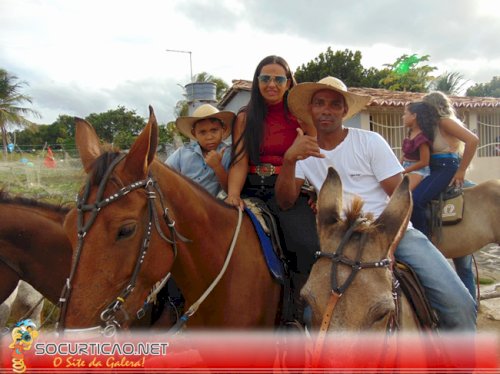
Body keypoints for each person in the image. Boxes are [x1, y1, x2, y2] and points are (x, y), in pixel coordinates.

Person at [275, 76, 476, 331]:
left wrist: (389, 245)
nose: (327, 109)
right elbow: (285, 201)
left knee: (460, 305)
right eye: (320, 103)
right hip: (338, 241)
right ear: (311, 110)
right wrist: (290, 159)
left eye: (335, 104)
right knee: (310, 314)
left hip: (387, 232)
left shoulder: (369, 142)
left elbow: (401, 199)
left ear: (344, 111)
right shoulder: (304, 152)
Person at [225, 55, 319, 323]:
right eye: (265, 78)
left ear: (289, 83)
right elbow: (240, 159)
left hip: (290, 186)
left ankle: (300, 315)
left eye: (279, 79)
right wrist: (232, 195)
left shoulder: (301, 115)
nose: (272, 84)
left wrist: (317, 191)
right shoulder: (245, 117)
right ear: (257, 82)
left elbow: (313, 155)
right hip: (253, 187)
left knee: (306, 244)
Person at [412, 91, 479, 300]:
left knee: (415, 200)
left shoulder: (444, 121)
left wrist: (461, 170)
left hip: (446, 167)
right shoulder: (430, 127)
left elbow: (473, 140)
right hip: (435, 168)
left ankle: (422, 244)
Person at [166, 104, 234, 197]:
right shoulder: (183, 153)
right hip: (180, 203)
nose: (209, 137)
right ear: (194, 134)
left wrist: (217, 167)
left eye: (214, 130)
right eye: (202, 132)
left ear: (223, 130)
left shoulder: (228, 154)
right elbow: (164, 175)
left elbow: (231, 191)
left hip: (208, 208)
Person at [401, 102, 435, 191]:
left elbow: (424, 162)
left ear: (414, 116)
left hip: (418, 170)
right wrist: (398, 167)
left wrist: (405, 171)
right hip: (406, 168)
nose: (403, 117)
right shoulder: (410, 134)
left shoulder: (422, 138)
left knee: (404, 194)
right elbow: (405, 155)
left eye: (405, 114)